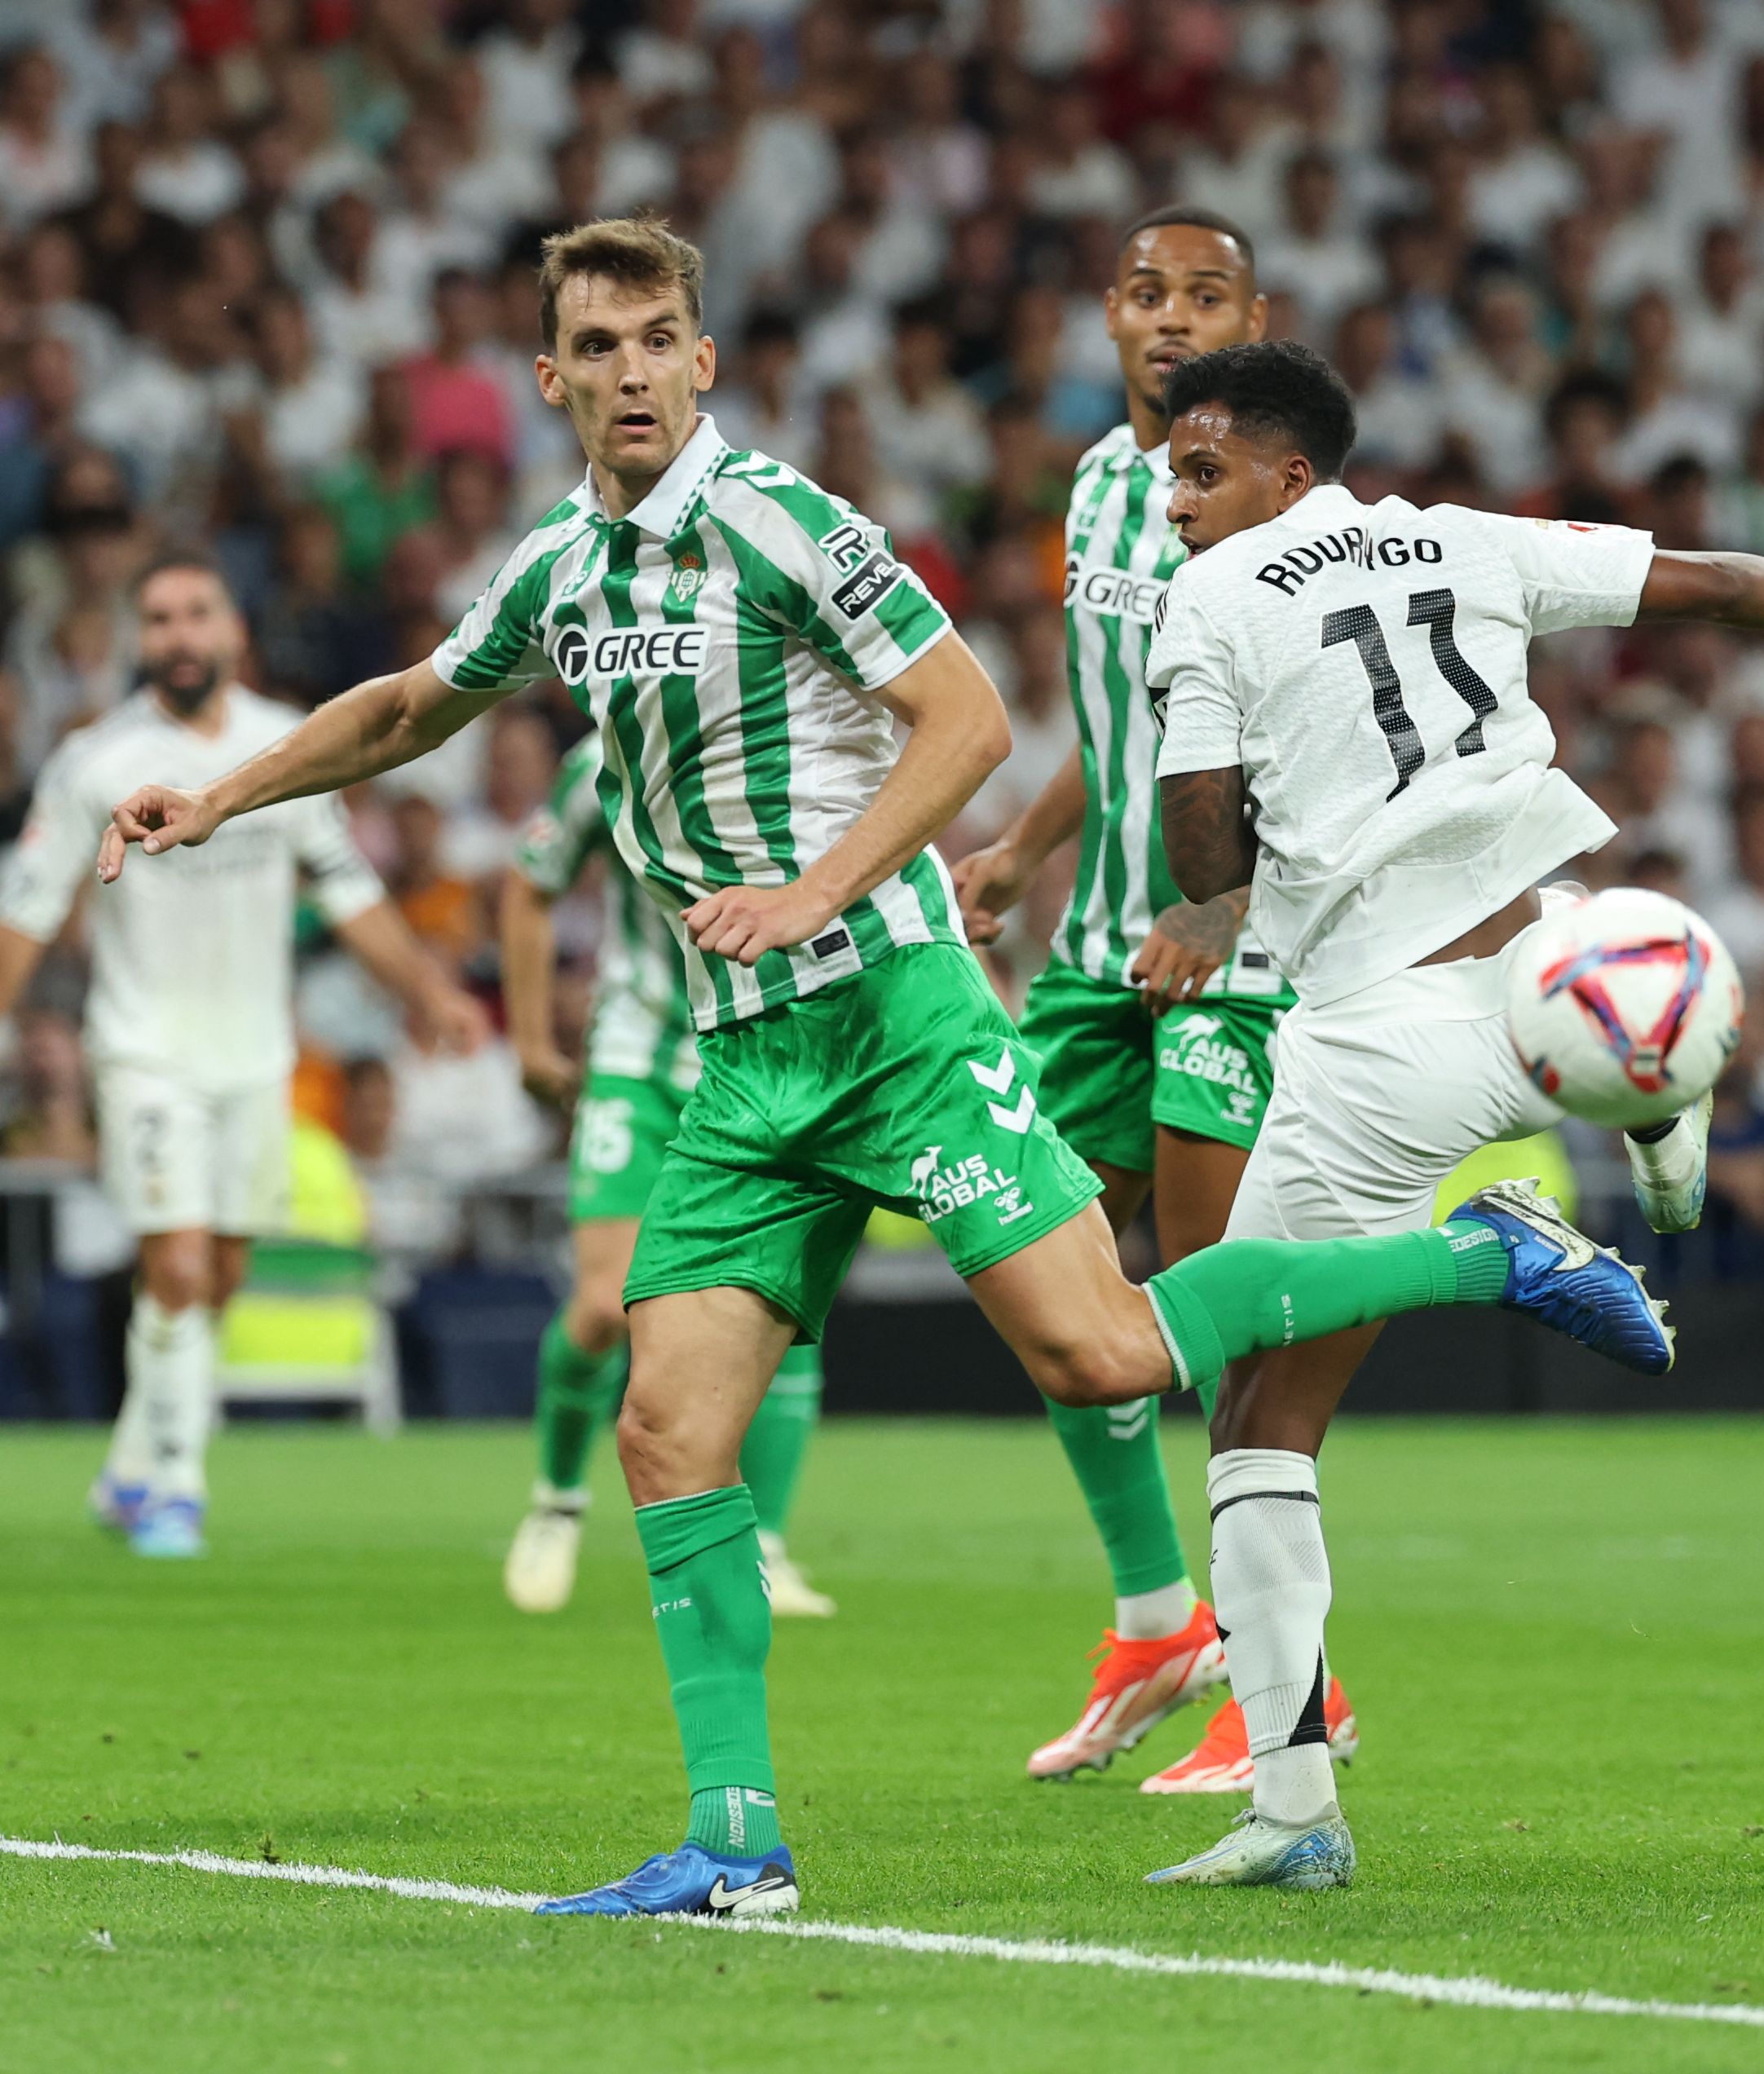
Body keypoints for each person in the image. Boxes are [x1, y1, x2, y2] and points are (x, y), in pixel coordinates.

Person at [95, 217, 1678, 1922]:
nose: (630, 372)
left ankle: (1482, 1251)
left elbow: (971, 718)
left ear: (702, 361)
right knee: (665, 1431)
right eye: (596, 347)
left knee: (1101, 1357)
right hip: (747, 1062)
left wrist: (818, 888)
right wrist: (223, 795)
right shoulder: (561, 564)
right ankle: (734, 1844)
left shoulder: (782, 521)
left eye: (657, 340)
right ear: (548, 378)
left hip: (902, 1013)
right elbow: (414, 703)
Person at [1142, 339, 1764, 1888]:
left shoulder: (1214, 597)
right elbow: (1704, 582)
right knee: (1600, 980)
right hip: (1562, 967)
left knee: (1254, 1410)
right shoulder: (1462, 534)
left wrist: (1211, 881)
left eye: (1201, 470)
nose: (1174, 502)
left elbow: (1196, 846)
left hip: (1382, 1026)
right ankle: (1650, 1090)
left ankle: (1294, 1809)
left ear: (1287, 477)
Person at [949, 207, 1325, 1789]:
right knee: (1043, 1286)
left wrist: (1217, 905)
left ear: (1256, 315)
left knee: (1216, 1316)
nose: (1171, 318)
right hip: (1101, 954)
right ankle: (1158, 1616)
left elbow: (1288, 738)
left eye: (1207, 296)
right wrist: (1021, 851)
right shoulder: (1104, 487)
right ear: (1106, 317)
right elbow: (1129, 723)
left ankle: (1286, 1684)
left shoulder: (1279, 510)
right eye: (1146, 292)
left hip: (1235, 956)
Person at [0, 553, 482, 1559]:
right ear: (141, 639)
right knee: (174, 1265)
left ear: (231, 631)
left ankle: (131, 1464)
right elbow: (30, 910)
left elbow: (349, 894)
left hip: (253, 1060)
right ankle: (177, 1488)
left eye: (197, 615)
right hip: (143, 1055)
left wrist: (432, 993)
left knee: (215, 1276)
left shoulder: (284, 751)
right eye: (160, 618)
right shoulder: (96, 759)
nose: (179, 635)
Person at [500, 729, 835, 1618]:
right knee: (606, 1307)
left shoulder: (810, 747)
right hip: (641, 1056)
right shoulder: (607, 752)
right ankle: (557, 1502)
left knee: (781, 1304)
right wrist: (531, 1038)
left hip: (773, 1058)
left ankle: (765, 1548)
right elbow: (529, 884)